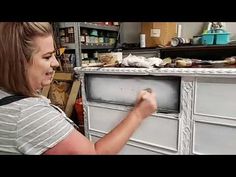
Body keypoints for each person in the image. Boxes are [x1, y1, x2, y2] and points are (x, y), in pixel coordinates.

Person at [0, 22, 157, 155]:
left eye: (54, 55)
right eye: (47, 57)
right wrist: (138, 114)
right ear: (19, 63)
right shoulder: (28, 115)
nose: (55, 63)